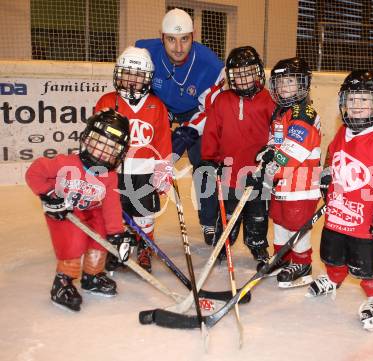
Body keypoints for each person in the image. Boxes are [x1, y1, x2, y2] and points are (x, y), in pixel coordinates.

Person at [307, 70, 373, 332]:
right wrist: (327, 177)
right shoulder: (344, 132)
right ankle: (333, 277)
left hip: (365, 217)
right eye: (352, 99)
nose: (357, 106)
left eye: (364, 100)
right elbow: (333, 156)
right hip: (339, 211)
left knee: (365, 263)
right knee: (331, 252)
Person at [25, 109, 135, 312]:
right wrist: (48, 194)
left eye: (112, 148)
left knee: (101, 235)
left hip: (90, 211)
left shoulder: (109, 176)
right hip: (64, 212)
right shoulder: (65, 163)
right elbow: (35, 171)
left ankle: (92, 276)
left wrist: (116, 232)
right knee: (73, 240)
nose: (104, 152)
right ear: (87, 139)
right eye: (100, 143)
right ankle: (62, 283)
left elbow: (111, 205)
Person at [135, 8, 224, 245]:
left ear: (193, 37)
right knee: (145, 157)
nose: (178, 47)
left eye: (184, 39)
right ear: (161, 36)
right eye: (171, 39)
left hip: (196, 110)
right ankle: (137, 216)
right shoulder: (144, 51)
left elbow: (212, 108)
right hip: (159, 107)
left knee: (205, 161)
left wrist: (189, 131)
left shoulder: (212, 65)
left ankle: (209, 221)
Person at [95, 46, 172, 273]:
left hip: (145, 172)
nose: (132, 80)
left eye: (138, 75)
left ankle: (145, 247)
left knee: (144, 213)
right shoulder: (107, 101)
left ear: (147, 78)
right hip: (114, 172)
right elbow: (96, 138)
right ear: (118, 73)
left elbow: (162, 141)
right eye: (128, 73)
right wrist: (97, 168)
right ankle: (118, 247)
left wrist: (163, 171)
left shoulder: (156, 106)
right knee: (114, 213)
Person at [201, 46, 274, 263]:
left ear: (258, 72)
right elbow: (212, 131)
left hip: (257, 173)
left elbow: (277, 131)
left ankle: (258, 245)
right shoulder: (222, 100)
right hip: (230, 172)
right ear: (230, 77)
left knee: (257, 214)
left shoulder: (268, 100)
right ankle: (223, 244)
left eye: (248, 72)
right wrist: (209, 158)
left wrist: (273, 155)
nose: (243, 79)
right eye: (237, 75)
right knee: (228, 214)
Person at [255, 58, 321, 286]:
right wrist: (267, 151)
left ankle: (302, 264)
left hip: (301, 185)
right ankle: (282, 258)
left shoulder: (305, 113)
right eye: (280, 82)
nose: (284, 87)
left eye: (290, 81)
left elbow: (294, 150)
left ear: (303, 84)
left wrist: (272, 164)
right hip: (282, 183)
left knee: (296, 223)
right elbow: (277, 141)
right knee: (281, 220)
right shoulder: (281, 112)